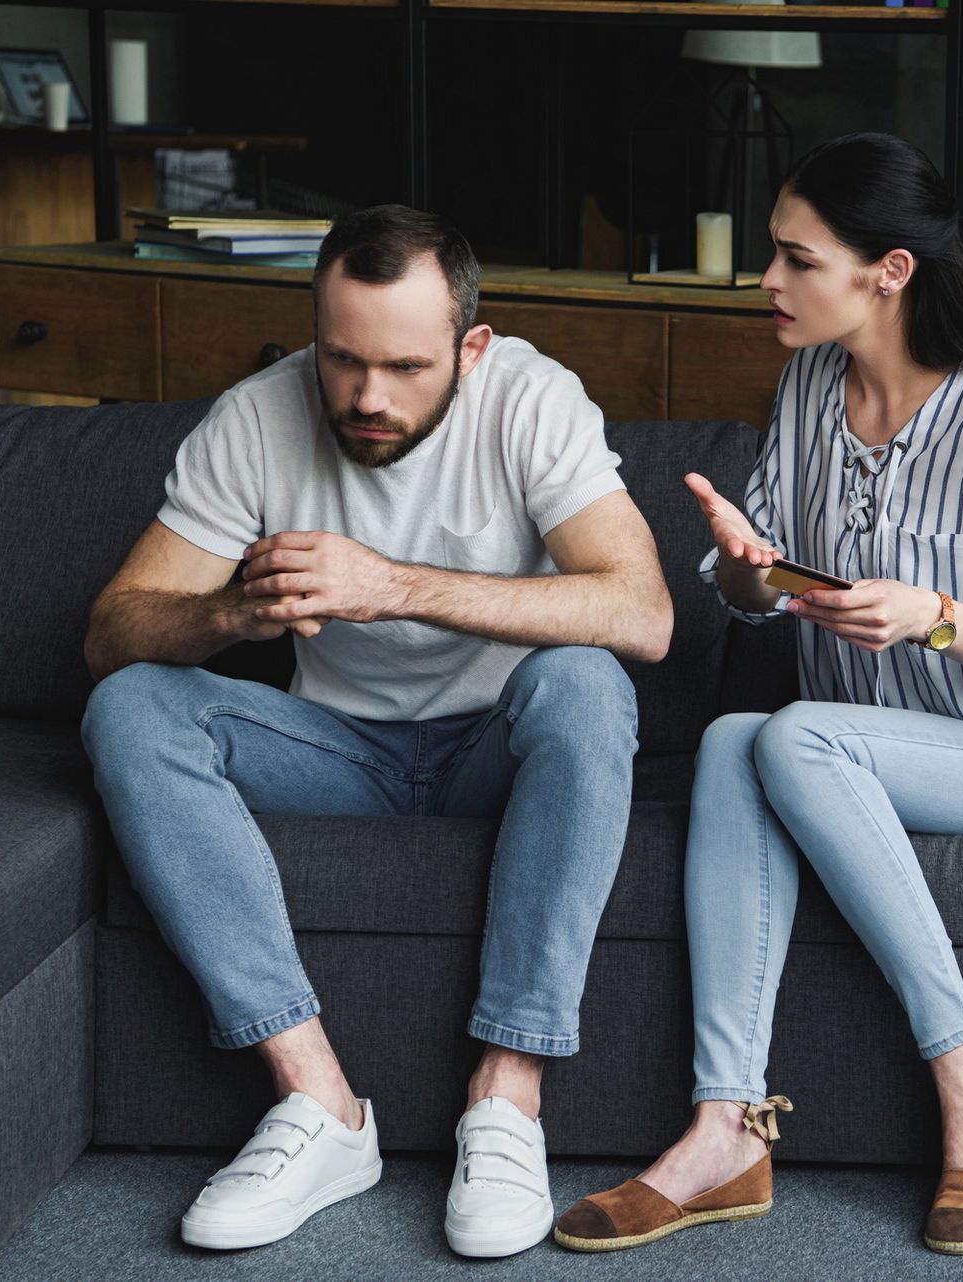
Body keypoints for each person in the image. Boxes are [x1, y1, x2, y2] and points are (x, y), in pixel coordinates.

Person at [553, 133, 963, 1257]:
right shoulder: (808, 385)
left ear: (889, 272)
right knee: (731, 742)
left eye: (796, 259)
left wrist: (935, 616)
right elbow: (761, 598)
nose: (767, 281)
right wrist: (740, 567)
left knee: (798, 738)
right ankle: (726, 1126)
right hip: (859, 749)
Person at [79, 204, 672, 1258]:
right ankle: (321, 1108)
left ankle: (507, 1097)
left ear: (471, 346)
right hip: (337, 753)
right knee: (128, 704)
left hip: (500, 748)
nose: (366, 397)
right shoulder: (258, 416)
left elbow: (642, 613)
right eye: (342, 359)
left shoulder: (531, 401)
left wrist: (394, 585)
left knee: (587, 681)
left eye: (404, 367)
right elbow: (112, 630)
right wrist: (230, 615)